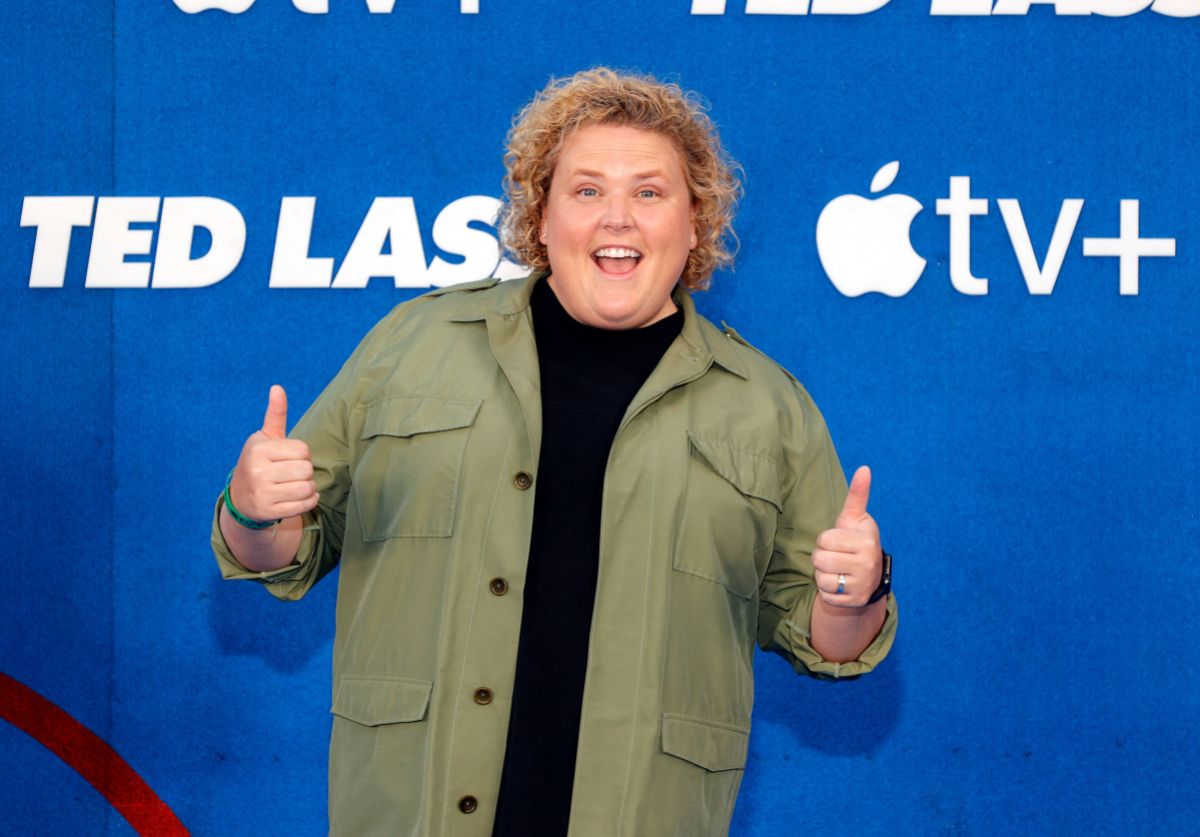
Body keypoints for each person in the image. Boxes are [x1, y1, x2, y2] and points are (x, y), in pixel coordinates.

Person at [212, 67, 896, 837]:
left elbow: (831, 644)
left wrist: (855, 596)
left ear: (696, 223)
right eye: (586, 190)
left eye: (649, 192)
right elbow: (274, 552)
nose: (618, 219)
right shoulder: (411, 346)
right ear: (538, 217)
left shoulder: (771, 409)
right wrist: (252, 506)